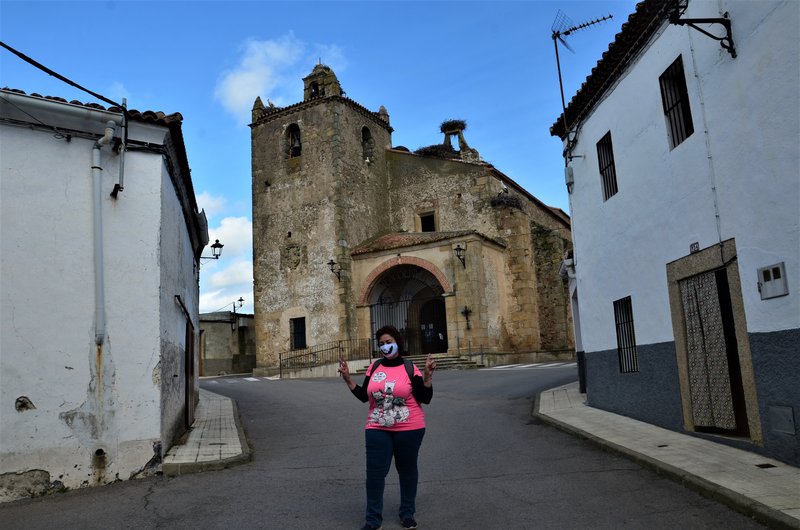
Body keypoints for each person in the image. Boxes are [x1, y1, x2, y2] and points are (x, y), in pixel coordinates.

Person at [338, 325, 437, 530]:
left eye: (389, 342)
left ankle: (407, 513)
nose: (385, 346)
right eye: (381, 344)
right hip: (377, 427)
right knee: (374, 474)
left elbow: (425, 398)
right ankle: (373, 519)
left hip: (410, 428)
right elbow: (365, 396)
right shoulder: (374, 368)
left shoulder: (410, 368)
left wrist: (427, 376)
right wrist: (348, 379)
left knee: (407, 471)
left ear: (397, 342)